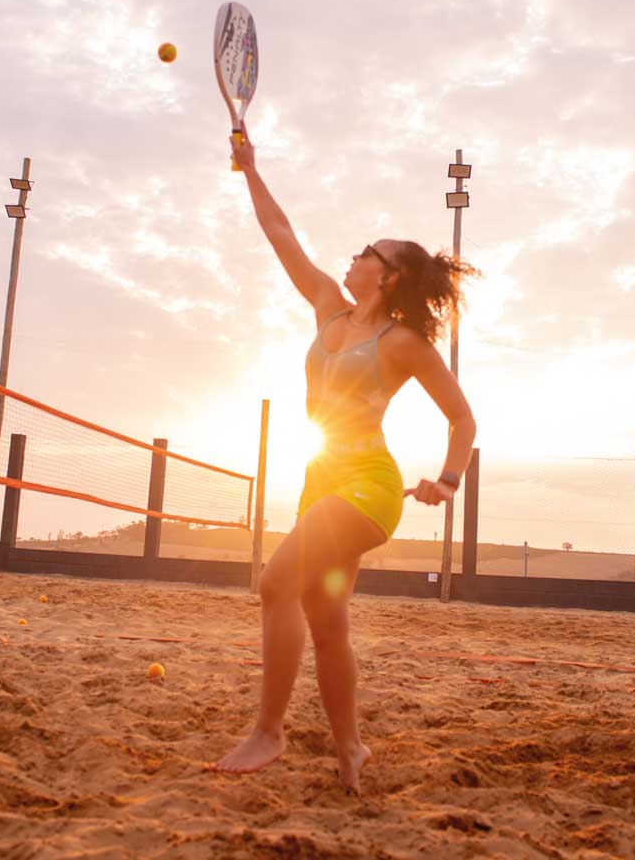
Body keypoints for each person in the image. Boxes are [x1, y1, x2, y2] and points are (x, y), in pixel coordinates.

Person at [213, 126, 478, 793]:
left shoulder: (403, 343)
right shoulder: (329, 308)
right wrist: (250, 169)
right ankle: (351, 747)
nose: (353, 256)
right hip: (320, 480)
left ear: (387, 277)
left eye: (368, 252)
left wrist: (448, 479)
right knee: (326, 623)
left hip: (367, 485)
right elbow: (280, 233)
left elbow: (462, 417)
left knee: (275, 584)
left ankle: (268, 730)